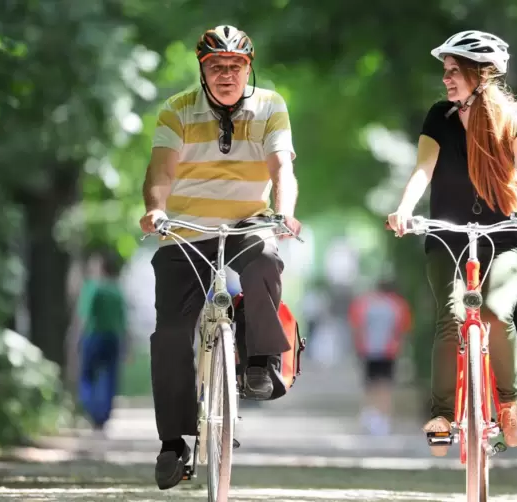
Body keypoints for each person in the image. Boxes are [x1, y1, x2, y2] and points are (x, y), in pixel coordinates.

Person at [138, 25, 301, 490]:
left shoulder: (271, 105)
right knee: (170, 334)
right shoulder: (177, 110)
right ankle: (175, 442)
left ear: (249, 68)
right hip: (185, 230)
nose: (226, 75)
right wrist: (156, 208)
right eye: (216, 67)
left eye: (235, 66)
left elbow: (281, 168)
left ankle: (259, 363)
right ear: (203, 70)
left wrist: (284, 214)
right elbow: (161, 170)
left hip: (248, 222)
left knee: (265, 261)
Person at [386, 30, 517, 456]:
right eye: (445, 71)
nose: (446, 79)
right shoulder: (438, 117)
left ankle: (509, 401)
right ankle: (443, 413)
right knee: (451, 316)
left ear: (481, 75)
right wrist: (404, 208)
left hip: (503, 238)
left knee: (497, 313)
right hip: (447, 239)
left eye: (454, 71)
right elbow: (423, 170)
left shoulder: (513, 118)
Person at [348, 279, 411, 436]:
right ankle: (384, 420)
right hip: (389, 351)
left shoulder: (365, 304)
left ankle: (370, 416)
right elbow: (404, 329)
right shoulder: (398, 305)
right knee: (386, 386)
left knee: (370, 385)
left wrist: (358, 345)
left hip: (368, 350)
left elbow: (356, 325)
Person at [77, 251, 128, 438]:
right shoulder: (116, 290)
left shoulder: (92, 288)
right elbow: (123, 320)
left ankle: (91, 410)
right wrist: (126, 344)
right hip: (113, 338)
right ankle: (103, 416)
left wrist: (75, 337)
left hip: (93, 335)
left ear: (99, 268)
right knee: (109, 376)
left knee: (87, 376)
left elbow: (83, 317)